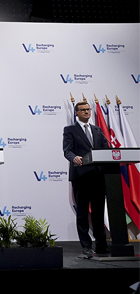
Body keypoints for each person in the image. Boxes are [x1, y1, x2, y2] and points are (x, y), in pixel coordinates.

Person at [63, 101, 110, 257]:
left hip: (98, 176)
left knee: (98, 212)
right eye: (82, 110)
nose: (86, 112)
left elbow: (106, 149)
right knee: (82, 213)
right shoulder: (70, 130)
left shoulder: (97, 130)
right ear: (76, 113)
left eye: (88, 109)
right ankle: (86, 246)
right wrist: (74, 158)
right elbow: (67, 150)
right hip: (81, 176)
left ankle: (101, 245)